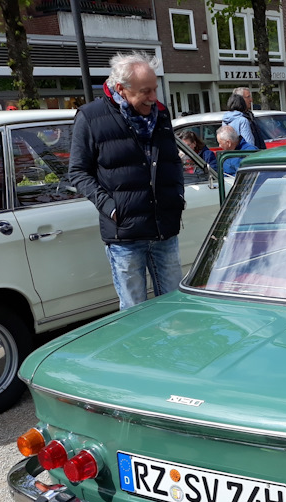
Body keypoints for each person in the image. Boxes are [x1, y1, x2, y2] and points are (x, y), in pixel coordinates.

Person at [69, 51, 184, 310]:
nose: (153, 98)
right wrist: (111, 208)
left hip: (164, 228)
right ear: (121, 88)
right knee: (134, 313)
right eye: (145, 91)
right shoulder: (90, 117)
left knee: (176, 307)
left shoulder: (160, 115)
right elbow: (78, 171)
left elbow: (172, 161)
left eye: (155, 89)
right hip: (126, 235)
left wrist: (177, 195)